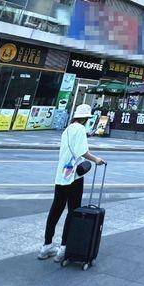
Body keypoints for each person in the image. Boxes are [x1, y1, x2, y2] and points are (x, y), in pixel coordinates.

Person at [38, 104, 105, 261]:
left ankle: (46, 245)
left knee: (55, 209)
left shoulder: (67, 129)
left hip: (61, 175)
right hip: (74, 176)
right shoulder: (80, 129)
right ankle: (64, 247)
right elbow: (83, 152)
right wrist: (96, 159)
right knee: (73, 211)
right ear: (86, 118)